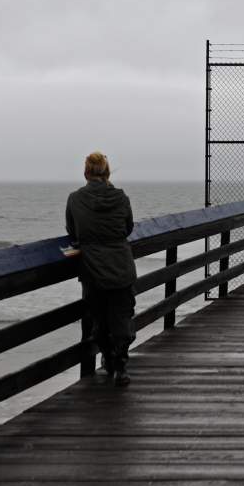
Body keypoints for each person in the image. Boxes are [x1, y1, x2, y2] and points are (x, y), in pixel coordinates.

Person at [66, 151, 137, 387]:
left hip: (92, 268)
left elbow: (73, 231)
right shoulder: (121, 197)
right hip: (121, 266)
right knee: (122, 317)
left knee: (98, 319)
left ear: (85, 173)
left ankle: (107, 358)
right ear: (107, 172)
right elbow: (127, 228)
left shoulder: (75, 199)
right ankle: (121, 366)